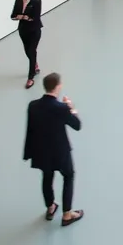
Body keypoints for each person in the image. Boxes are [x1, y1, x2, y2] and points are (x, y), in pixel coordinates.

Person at [23, 72, 84, 227]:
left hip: (41, 151)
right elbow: (77, 125)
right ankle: (67, 214)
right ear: (58, 86)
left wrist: (28, 152)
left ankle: (50, 207)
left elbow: (29, 130)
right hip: (60, 151)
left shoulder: (33, 106)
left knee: (47, 177)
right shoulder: (61, 108)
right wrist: (72, 109)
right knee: (68, 176)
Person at [11, 0, 43, 89]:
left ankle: (31, 77)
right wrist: (21, 17)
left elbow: (36, 17)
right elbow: (13, 15)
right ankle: (35, 64)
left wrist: (25, 17)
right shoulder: (18, 1)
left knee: (31, 51)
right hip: (23, 30)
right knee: (27, 51)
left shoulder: (36, 1)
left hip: (34, 30)